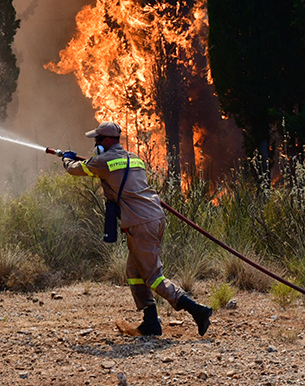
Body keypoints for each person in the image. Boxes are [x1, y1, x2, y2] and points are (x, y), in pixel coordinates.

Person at [61, 121, 212, 337]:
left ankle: (197, 310)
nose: (95, 143)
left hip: (140, 222)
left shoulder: (105, 160)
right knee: (134, 271)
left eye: (96, 139)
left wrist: (66, 158)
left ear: (104, 142)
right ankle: (150, 321)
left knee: (153, 277)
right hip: (154, 217)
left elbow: (76, 170)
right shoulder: (133, 158)